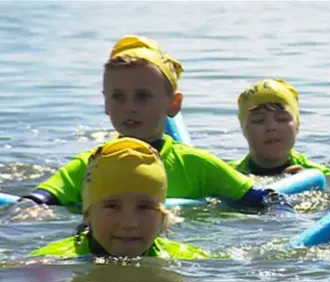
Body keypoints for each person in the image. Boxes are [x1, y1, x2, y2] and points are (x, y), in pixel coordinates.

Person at [18, 35, 292, 213]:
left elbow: (266, 199)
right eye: (118, 97)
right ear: (105, 103)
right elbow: (34, 201)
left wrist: (282, 222)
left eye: (142, 96)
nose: (129, 107)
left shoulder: (198, 166)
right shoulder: (90, 164)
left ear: (173, 104)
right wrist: (27, 212)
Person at [29, 138, 215, 259]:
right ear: (87, 214)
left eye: (144, 207)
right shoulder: (51, 261)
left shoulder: (188, 259)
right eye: (112, 206)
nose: (129, 223)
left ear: (162, 216)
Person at [229, 78, 330, 176]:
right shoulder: (229, 174)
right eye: (259, 120)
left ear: (297, 125)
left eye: (282, 119)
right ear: (243, 129)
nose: (271, 127)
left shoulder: (319, 174)